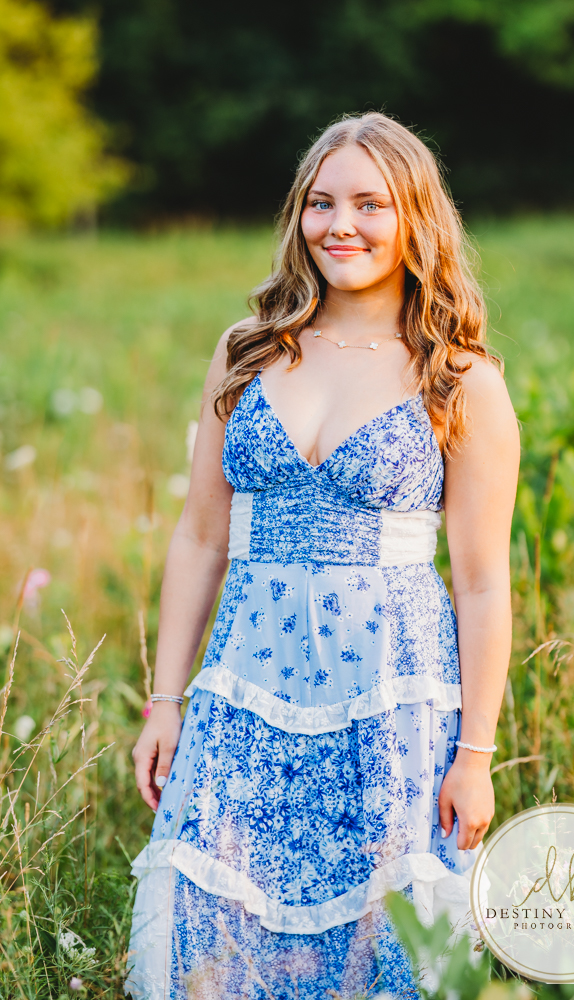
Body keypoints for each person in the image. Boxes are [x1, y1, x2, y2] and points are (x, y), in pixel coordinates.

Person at [126, 111, 520, 1000]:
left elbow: (482, 584)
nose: (340, 224)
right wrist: (163, 700)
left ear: (416, 218)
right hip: (247, 687)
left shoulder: (457, 377)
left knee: (379, 927)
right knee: (222, 917)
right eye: (319, 202)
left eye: (370, 203)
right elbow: (199, 536)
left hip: (391, 694)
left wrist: (476, 753)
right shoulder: (248, 350)